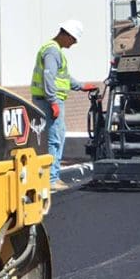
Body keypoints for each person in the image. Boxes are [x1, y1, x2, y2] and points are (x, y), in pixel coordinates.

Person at [30, 20, 97, 191]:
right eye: (73, 40)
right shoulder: (52, 51)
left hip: (47, 100)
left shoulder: (53, 50)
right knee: (55, 139)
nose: (73, 44)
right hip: (50, 101)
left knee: (54, 138)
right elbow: (49, 77)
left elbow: (63, 77)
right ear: (66, 34)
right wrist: (53, 101)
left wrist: (81, 86)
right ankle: (52, 179)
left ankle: (50, 176)